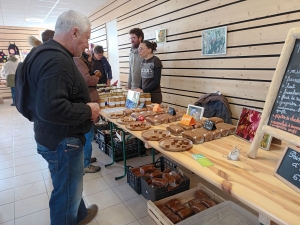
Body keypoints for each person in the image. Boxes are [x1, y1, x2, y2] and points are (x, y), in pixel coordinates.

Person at [16, 10, 99, 225]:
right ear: (74, 32)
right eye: (87, 38)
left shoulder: (42, 52)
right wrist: (88, 110)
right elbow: (52, 108)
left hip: (50, 136)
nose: (87, 45)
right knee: (65, 197)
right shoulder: (57, 60)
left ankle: (80, 215)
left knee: (67, 184)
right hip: (63, 141)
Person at [74, 50, 101, 173]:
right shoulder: (77, 60)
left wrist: (89, 61)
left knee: (87, 135)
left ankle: (86, 158)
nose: (86, 46)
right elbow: (87, 79)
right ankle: (85, 163)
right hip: (87, 102)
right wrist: (96, 78)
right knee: (88, 136)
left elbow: (86, 72)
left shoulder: (79, 60)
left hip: (88, 101)